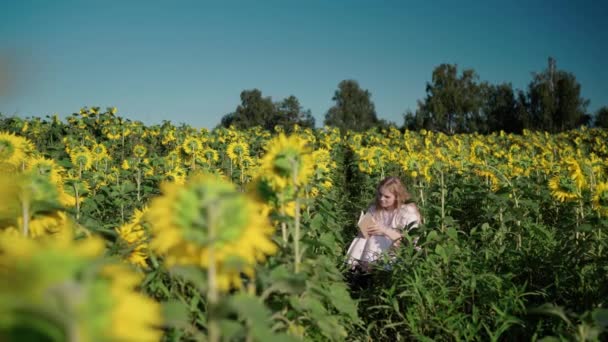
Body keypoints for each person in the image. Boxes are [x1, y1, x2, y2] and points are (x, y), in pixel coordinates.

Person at [345, 176, 421, 272]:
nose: (381, 199)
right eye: (380, 194)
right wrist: (363, 228)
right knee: (362, 237)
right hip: (377, 249)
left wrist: (384, 230)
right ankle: (358, 268)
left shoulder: (406, 212)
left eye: (387, 197)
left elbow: (409, 240)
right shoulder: (375, 208)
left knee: (379, 238)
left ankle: (378, 270)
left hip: (398, 248)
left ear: (397, 197)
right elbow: (363, 231)